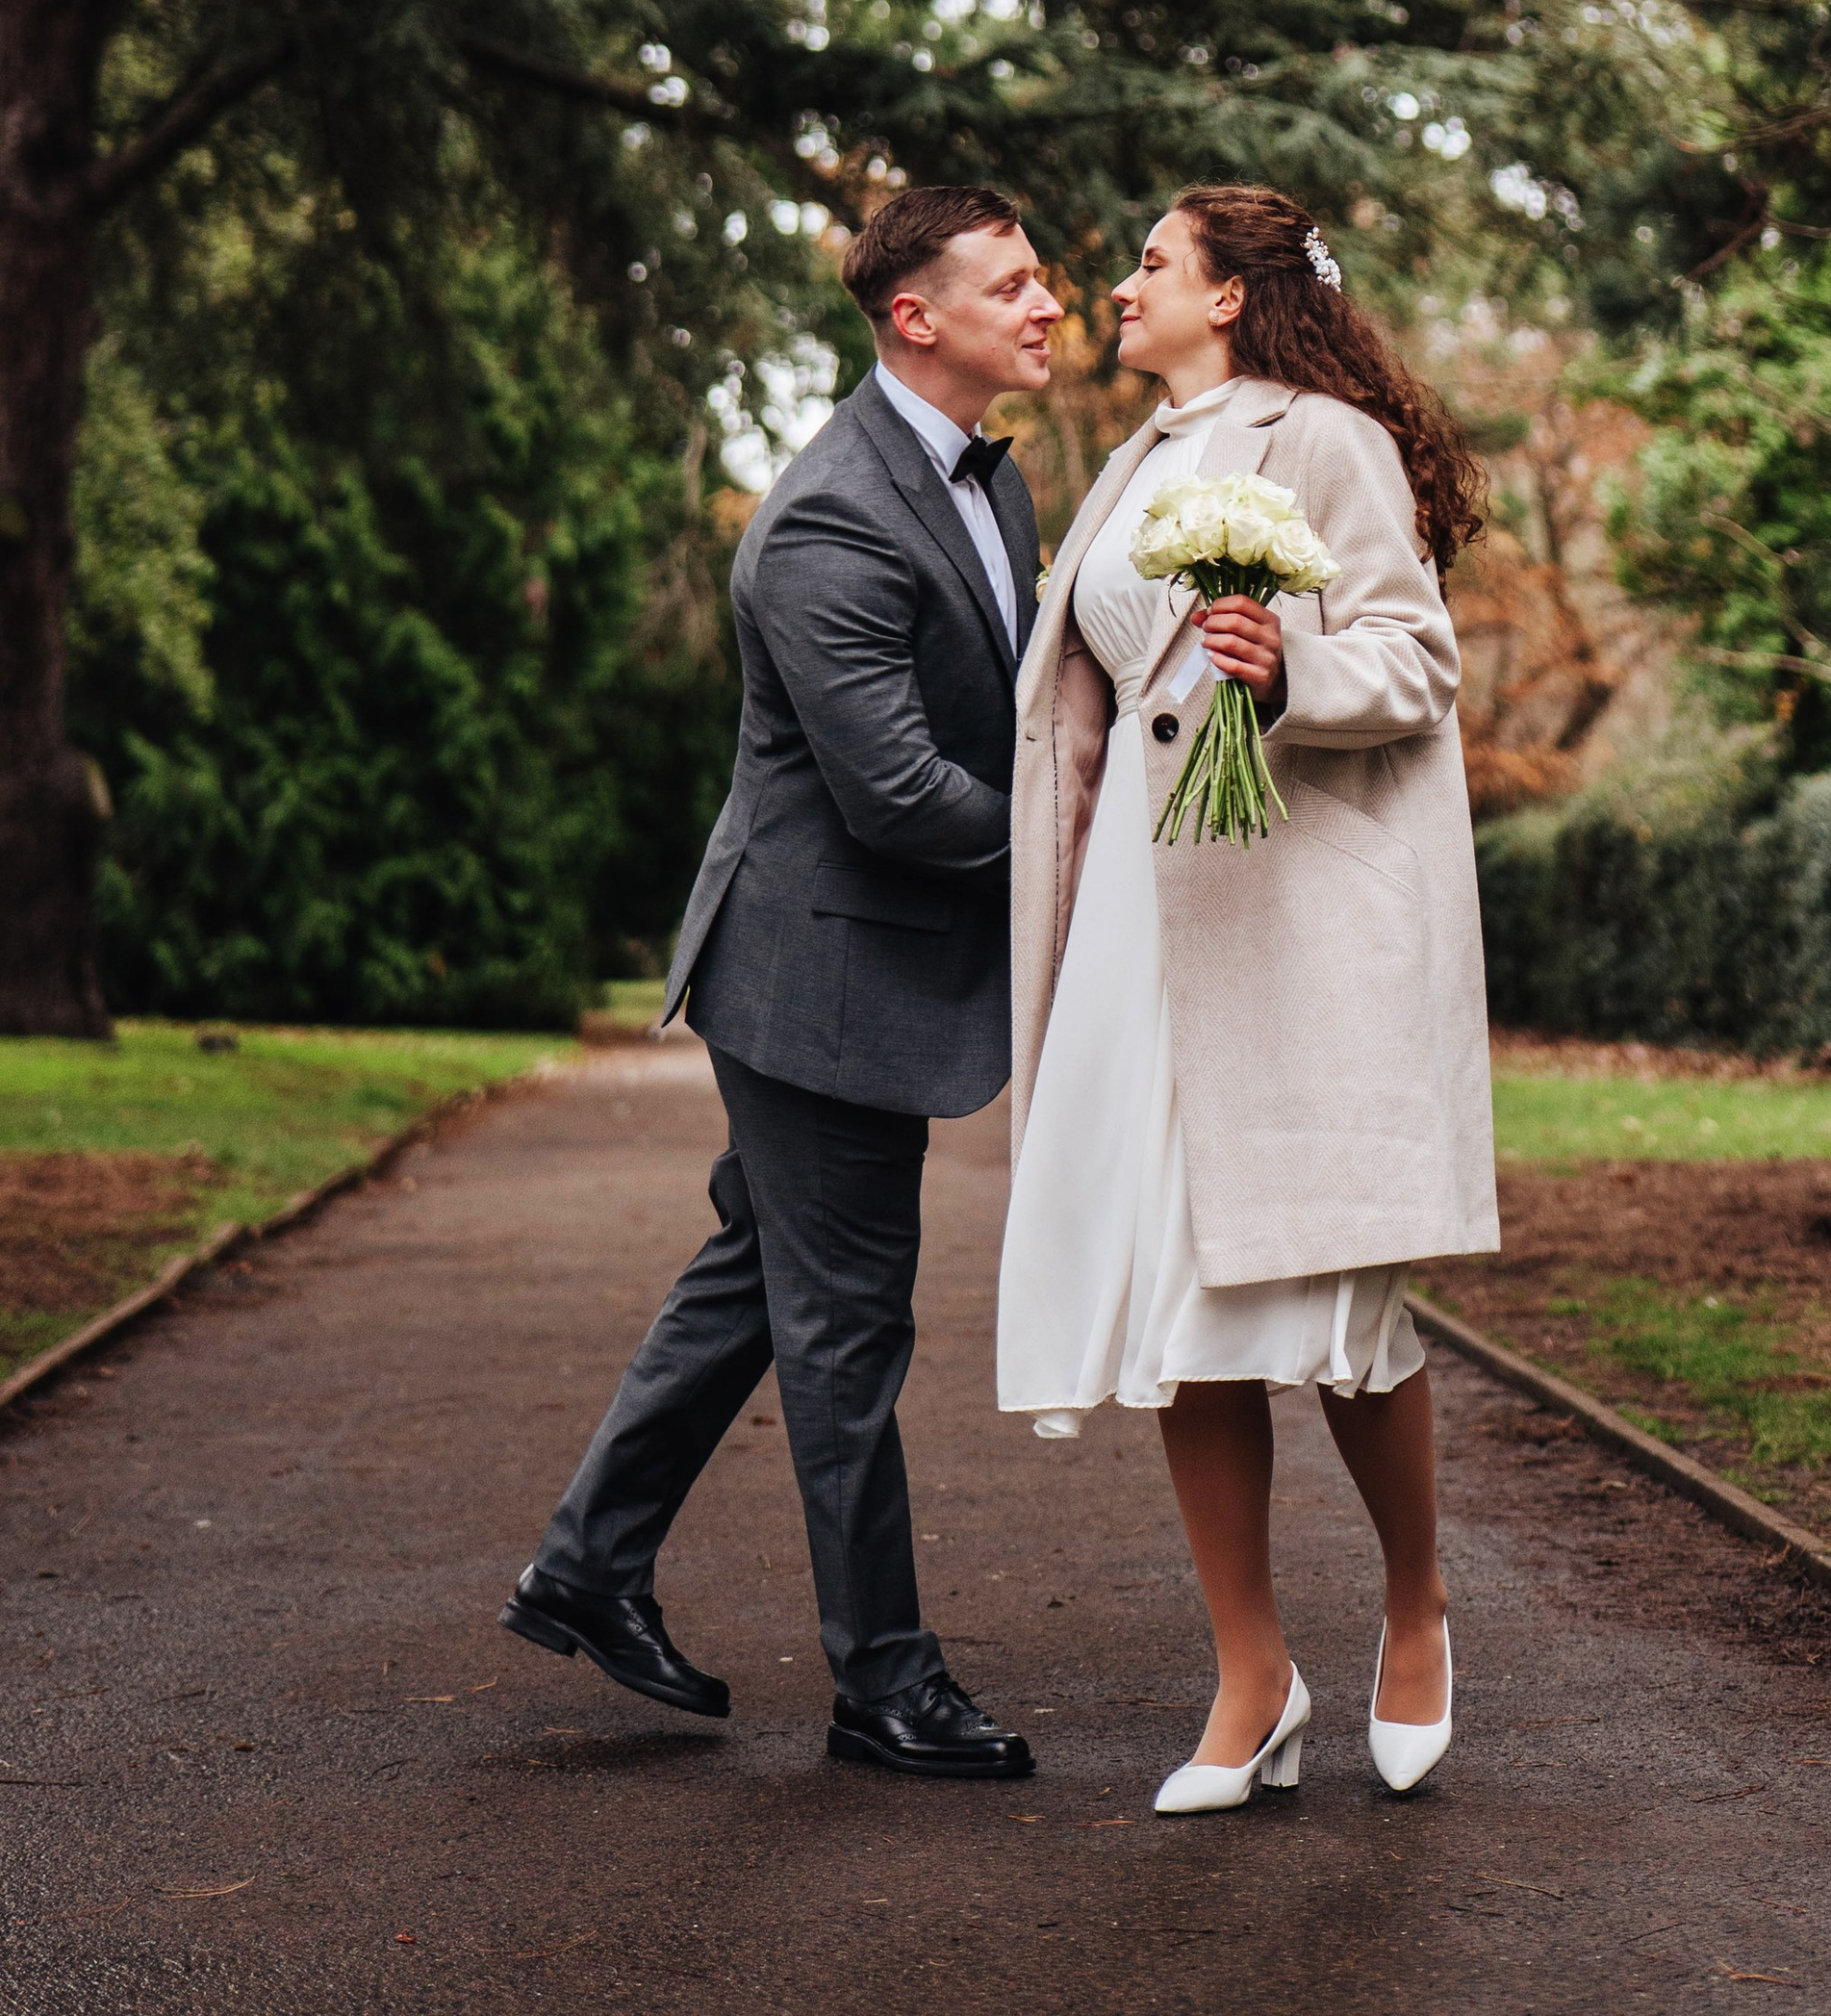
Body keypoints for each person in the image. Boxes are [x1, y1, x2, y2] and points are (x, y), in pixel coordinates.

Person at [504, 186, 1061, 1781]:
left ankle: (586, 1565)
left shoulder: (987, 483)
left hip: (857, 964)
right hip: (814, 981)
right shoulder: (829, 516)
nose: (1044, 303)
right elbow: (894, 791)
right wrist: (1090, 845)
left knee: (764, 1274)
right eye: (1010, 284)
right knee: (845, 1324)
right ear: (916, 316)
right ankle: (885, 1683)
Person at [1000, 183, 1497, 1813]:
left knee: (1333, 1307)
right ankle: (1252, 1677)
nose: (1118, 284)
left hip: (1288, 922)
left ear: (1229, 295)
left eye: (1149, 261)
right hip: (1145, 922)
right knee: (1184, 1310)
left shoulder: (1325, 441)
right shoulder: (1129, 468)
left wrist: (1292, 672)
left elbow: (1416, 660)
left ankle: (1414, 1605)